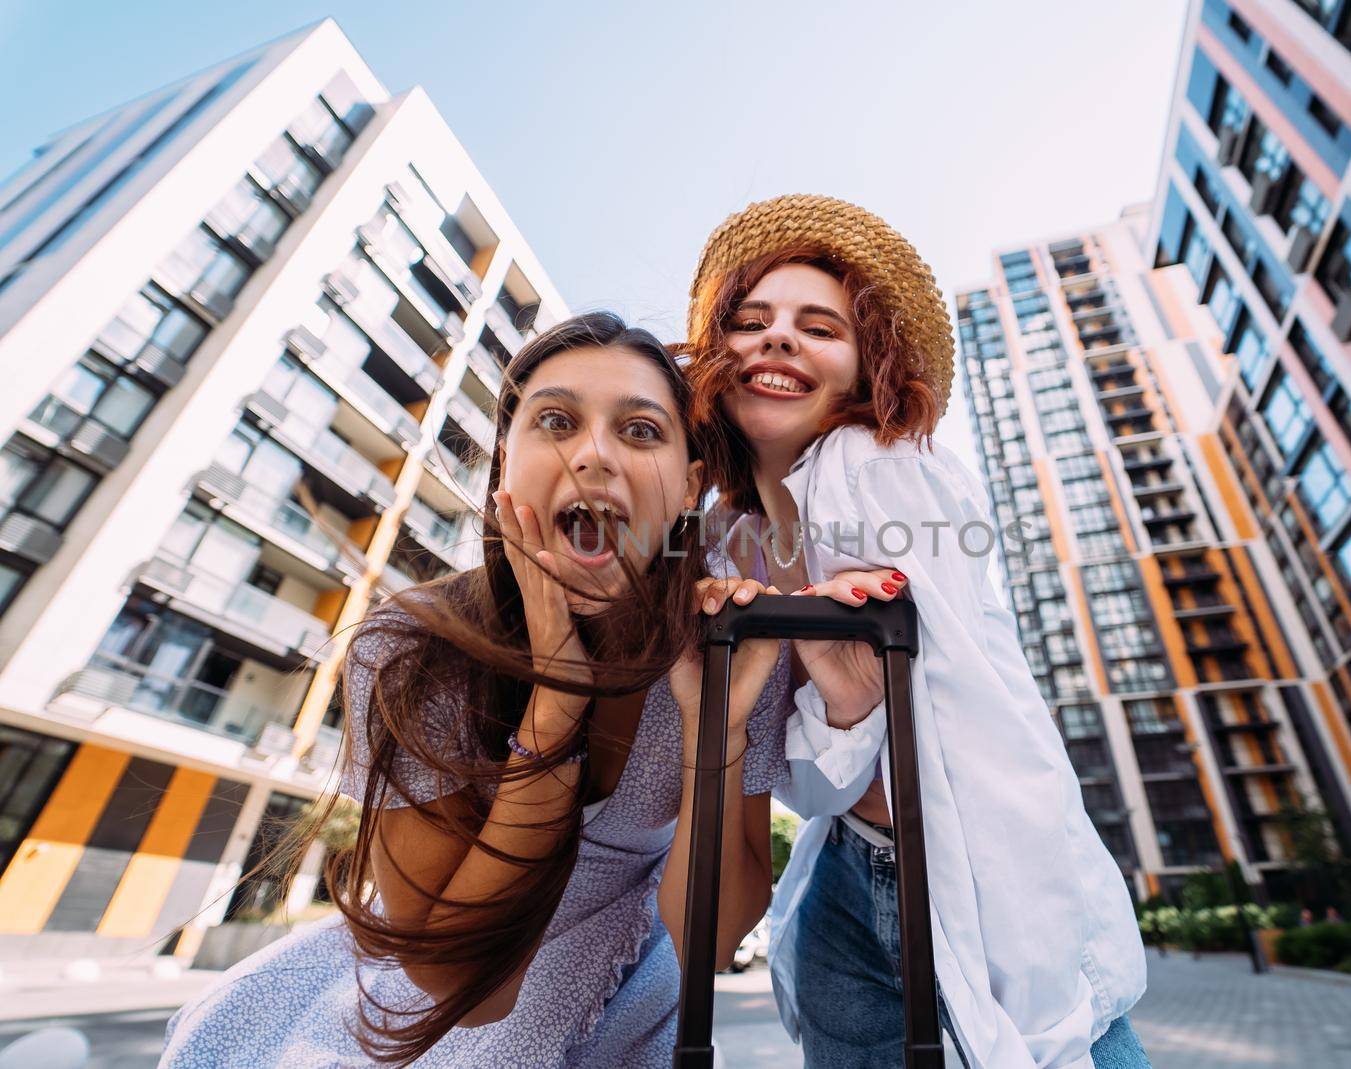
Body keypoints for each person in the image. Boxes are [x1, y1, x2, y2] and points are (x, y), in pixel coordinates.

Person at [163, 311, 816, 1067]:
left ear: (689, 487)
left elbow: (713, 935)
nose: (594, 453)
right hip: (420, 994)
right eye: (557, 420)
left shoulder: (730, 644)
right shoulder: (413, 646)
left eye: (640, 431)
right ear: (506, 461)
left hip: (626, 983)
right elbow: (453, 980)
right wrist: (557, 702)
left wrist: (715, 734)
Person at [685, 195, 1150, 1068]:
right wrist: (846, 699)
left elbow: (981, 732)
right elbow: (814, 786)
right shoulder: (734, 537)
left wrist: (1046, 1008)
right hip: (845, 869)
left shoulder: (879, 465)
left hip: (968, 869)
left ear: (867, 370)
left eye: (818, 326)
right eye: (752, 322)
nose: (780, 339)